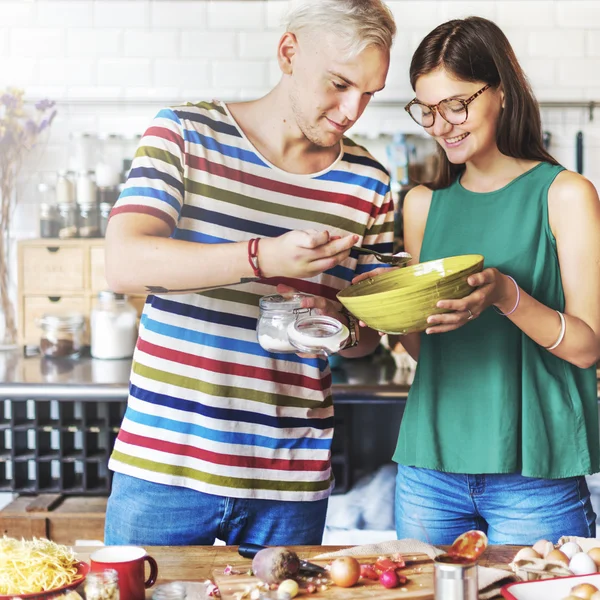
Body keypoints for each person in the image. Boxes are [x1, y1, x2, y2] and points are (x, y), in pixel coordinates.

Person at [102, 0, 397, 546]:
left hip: (290, 483)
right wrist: (262, 257)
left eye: (369, 93)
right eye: (338, 84)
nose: (352, 109)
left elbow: (367, 340)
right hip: (164, 469)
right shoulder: (186, 134)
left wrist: (337, 320)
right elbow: (123, 263)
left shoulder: (368, 182)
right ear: (289, 52)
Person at [358, 16, 600, 545]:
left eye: (456, 104)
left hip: (535, 474)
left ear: (504, 92)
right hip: (429, 471)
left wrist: (506, 296)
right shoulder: (422, 205)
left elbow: (587, 348)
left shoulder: (565, 195)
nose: (441, 124)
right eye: (426, 108)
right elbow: (427, 349)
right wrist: (385, 309)